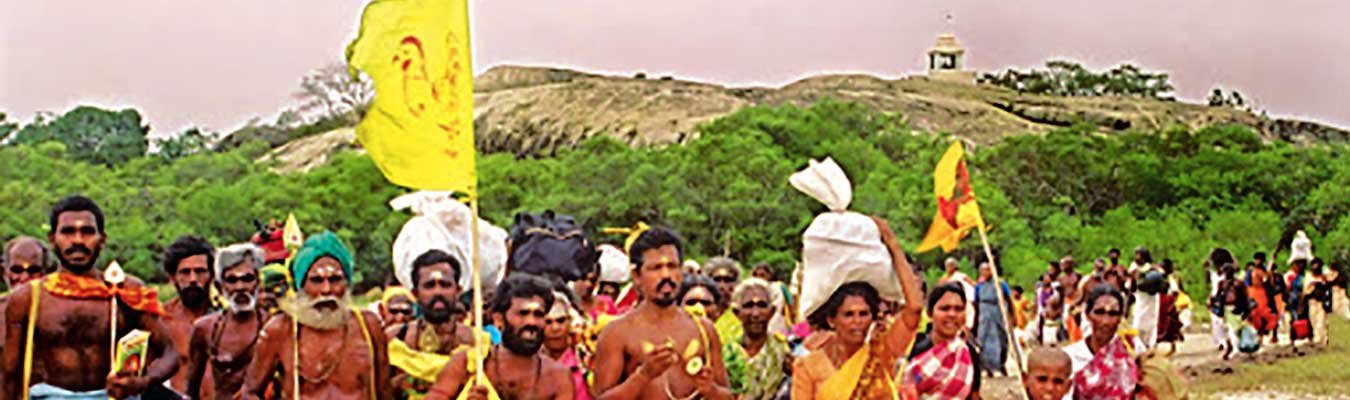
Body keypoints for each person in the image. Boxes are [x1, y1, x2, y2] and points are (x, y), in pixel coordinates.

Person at [2, 195, 179, 399]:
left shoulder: (126, 291)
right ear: (52, 239)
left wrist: (142, 382)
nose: (78, 240)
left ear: (101, 239)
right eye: (68, 232)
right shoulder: (29, 298)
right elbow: (10, 373)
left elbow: (170, 354)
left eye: (87, 232)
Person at [240, 231, 391, 400]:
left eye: (335, 279)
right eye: (316, 281)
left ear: (347, 283)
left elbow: (384, 392)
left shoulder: (369, 326)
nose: (326, 291)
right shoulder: (280, 330)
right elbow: (250, 392)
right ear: (301, 286)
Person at [591, 227, 732, 399]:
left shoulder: (703, 329)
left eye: (672, 266)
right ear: (636, 275)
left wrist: (711, 390)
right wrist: (643, 376)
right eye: (655, 268)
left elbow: (727, 395)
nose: (666, 275)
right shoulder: (617, 333)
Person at [793, 217, 923, 400]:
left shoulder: (882, 352)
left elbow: (915, 308)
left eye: (864, 313)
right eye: (848, 315)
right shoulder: (808, 366)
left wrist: (893, 245)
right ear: (831, 320)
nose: (857, 322)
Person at [424, 273, 575, 400]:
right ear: (499, 320)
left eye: (538, 315)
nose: (531, 322)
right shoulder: (466, 364)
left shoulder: (558, 377)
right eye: (522, 314)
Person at [386, 249, 475, 399]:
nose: (438, 292)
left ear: (458, 291)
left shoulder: (478, 343)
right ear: (415, 293)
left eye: (445, 285)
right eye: (429, 285)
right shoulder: (394, 339)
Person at [187, 243, 270, 400]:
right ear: (219, 287)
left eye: (247, 279)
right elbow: (191, 389)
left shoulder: (274, 327)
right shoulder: (205, 329)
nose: (240, 287)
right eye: (232, 280)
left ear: (258, 282)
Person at [901, 283, 981, 399]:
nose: (952, 314)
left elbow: (974, 396)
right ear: (929, 313)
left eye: (958, 309)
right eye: (945, 308)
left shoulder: (968, 353)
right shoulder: (914, 347)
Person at [1064, 286, 1144, 399]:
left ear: (1120, 318)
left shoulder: (1132, 347)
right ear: (1088, 315)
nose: (1105, 321)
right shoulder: (1070, 356)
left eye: (1113, 314)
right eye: (1099, 312)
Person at [161, 235, 217, 394]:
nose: (193, 279)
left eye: (200, 271)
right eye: (185, 272)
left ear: (212, 275)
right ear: (172, 278)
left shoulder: (228, 319)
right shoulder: (161, 320)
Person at [722, 278, 790, 400]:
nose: (755, 314)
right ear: (737, 312)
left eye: (762, 305)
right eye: (749, 306)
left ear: (772, 312)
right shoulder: (726, 353)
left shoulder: (783, 352)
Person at [1, 237, 50, 359]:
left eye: (33, 271)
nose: (24, 278)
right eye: (17, 270)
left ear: (45, 274)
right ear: (4, 272)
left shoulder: (57, 313)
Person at [542, 288, 593, 400]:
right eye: (548, 322)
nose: (555, 328)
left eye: (560, 321)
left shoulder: (586, 362)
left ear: (570, 322)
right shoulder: (530, 364)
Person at [973, 262, 1011, 377]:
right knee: (983, 340)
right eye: (983, 270)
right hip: (984, 314)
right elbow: (976, 302)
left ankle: (998, 366)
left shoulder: (1001, 284)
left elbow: (1009, 299)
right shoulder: (979, 286)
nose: (986, 273)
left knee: (1000, 339)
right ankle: (986, 367)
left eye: (988, 270)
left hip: (998, 312)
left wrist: (1011, 317)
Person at [1129, 247, 1159, 349]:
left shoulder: (1152, 268)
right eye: (1136, 254)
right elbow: (1132, 289)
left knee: (1151, 323)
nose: (1137, 257)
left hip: (1151, 300)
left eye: (1139, 255)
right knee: (1138, 324)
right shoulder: (1133, 269)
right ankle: (1140, 349)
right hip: (1140, 299)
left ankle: (1149, 346)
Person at [939, 257, 977, 331]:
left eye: (950, 265)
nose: (948, 268)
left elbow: (973, 285)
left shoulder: (962, 276)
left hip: (965, 301)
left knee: (968, 320)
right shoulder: (945, 279)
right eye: (947, 266)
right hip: (950, 303)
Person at [1307, 258, 1332, 347]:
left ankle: (1323, 340)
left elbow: (1328, 287)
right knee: (1313, 320)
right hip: (1312, 301)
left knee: (1322, 321)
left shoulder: (1324, 277)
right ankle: (1317, 338)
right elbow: (1306, 291)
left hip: (1321, 302)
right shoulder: (1309, 277)